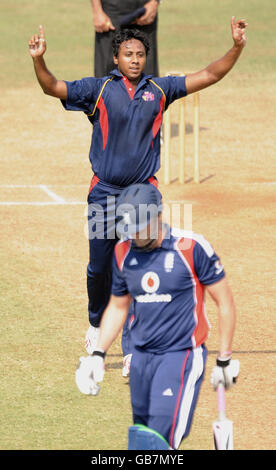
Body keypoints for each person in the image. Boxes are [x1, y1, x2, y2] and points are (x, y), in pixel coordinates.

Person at [28, 18, 248, 365]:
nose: (134, 59)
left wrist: (236, 47)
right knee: (99, 268)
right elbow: (53, 87)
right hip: (103, 193)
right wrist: (38, 59)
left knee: (136, 264)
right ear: (115, 58)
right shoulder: (98, 89)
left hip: (143, 195)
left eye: (140, 54)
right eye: (128, 54)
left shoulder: (160, 90)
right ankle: (95, 322)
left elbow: (209, 74)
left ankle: (133, 347)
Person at [75, 183, 240, 450]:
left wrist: (224, 359)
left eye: (138, 227)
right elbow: (118, 307)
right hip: (141, 359)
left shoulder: (191, 248)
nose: (133, 235)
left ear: (157, 217)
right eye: (129, 229)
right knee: (141, 440)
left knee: (158, 443)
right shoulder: (123, 252)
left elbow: (225, 302)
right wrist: (98, 354)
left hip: (181, 355)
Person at [91, 0, 161, 77]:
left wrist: (155, 2)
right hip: (111, 11)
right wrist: (97, 10)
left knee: (148, 76)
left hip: (145, 8)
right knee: (106, 75)